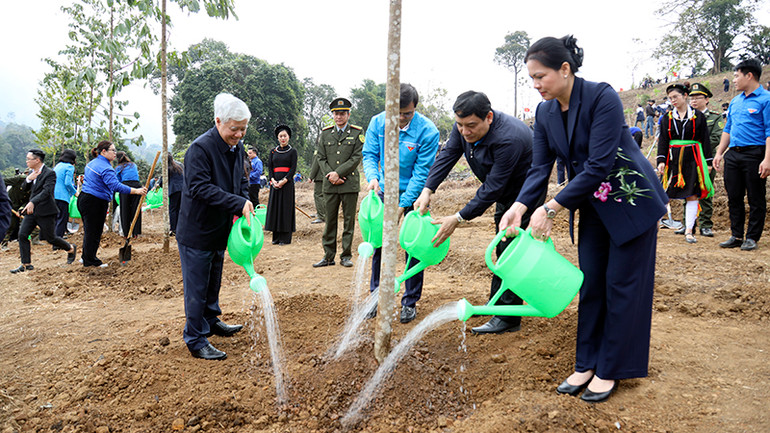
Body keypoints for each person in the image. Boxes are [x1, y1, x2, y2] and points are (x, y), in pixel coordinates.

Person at [501, 35, 668, 403]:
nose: (536, 85)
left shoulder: (601, 96)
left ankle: (611, 368)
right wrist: (520, 205)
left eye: (540, 76)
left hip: (629, 201)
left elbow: (599, 164)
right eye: (531, 78)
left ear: (565, 69)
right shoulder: (544, 113)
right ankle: (586, 362)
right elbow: (540, 166)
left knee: (622, 286)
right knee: (591, 283)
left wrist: (551, 208)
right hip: (590, 204)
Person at [414, 90, 542, 335]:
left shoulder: (509, 139)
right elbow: (448, 155)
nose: (464, 132)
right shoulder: (463, 126)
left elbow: (493, 188)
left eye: (471, 126)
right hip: (504, 193)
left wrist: (458, 218)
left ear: (489, 118)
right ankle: (499, 305)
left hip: (524, 195)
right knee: (503, 246)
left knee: (510, 249)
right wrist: (428, 189)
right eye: (460, 125)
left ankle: (507, 317)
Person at [176, 93, 254, 360]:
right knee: (197, 287)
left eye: (243, 129)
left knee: (213, 280)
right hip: (197, 230)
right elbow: (199, 188)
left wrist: (245, 201)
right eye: (234, 129)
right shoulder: (200, 149)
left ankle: (211, 320)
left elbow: (240, 181)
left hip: (221, 229)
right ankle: (195, 338)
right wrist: (235, 203)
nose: (239, 134)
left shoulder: (237, 147)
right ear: (218, 121)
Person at [362, 83, 440, 323]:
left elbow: (421, 173)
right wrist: (373, 178)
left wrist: (403, 205)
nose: (402, 118)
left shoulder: (428, 131)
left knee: (413, 246)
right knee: (379, 244)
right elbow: (370, 155)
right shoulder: (377, 123)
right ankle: (377, 296)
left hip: (415, 195)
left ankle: (410, 301)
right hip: (384, 190)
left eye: (407, 113)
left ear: (415, 108)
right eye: (397, 112)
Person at [713, 58, 770, 251]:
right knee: (734, 196)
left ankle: (752, 237)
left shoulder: (766, 99)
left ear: (749, 75)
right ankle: (736, 235)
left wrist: (767, 159)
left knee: (756, 197)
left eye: (736, 76)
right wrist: (720, 153)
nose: (734, 80)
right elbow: (728, 129)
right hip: (733, 155)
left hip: (755, 153)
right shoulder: (735, 102)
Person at [656, 83, 710, 244]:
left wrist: (708, 162)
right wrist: (661, 160)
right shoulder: (667, 118)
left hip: (692, 158)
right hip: (673, 159)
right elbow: (663, 142)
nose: (673, 100)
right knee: (664, 194)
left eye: (675, 97)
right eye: (670, 98)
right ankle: (654, 226)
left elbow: (705, 139)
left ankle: (689, 230)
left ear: (685, 96)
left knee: (692, 194)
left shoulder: (698, 117)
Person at [313, 97, 364, 268]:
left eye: (342, 114)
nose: (339, 117)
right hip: (330, 184)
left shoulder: (357, 133)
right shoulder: (326, 133)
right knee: (330, 221)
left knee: (348, 222)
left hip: (349, 184)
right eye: (336, 114)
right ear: (333, 115)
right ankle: (328, 256)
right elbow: (320, 157)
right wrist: (331, 175)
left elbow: (356, 157)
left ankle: (346, 256)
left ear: (348, 114)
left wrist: (338, 173)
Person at [79, 142, 146, 267]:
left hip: (85, 199)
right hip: (95, 202)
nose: (115, 153)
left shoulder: (92, 163)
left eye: (115, 151)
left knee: (90, 231)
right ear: (103, 151)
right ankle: (90, 261)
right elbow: (115, 185)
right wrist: (136, 191)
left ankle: (86, 256)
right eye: (113, 150)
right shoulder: (106, 168)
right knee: (94, 232)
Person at [11, 149, 79, 273]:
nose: (26, 161)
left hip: (46, 210)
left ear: (37, 160)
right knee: (22, 234)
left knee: (50, 238)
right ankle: (26, 264)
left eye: (28, 159)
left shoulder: (50, 173)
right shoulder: (32, 173)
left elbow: (46, 192)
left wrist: (33, 202)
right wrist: (28, 180)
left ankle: (70, 248)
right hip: (32, 211)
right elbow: (24, 189)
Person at [684, 82, 723, 237]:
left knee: (705, 191)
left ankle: (705, 225)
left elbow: (715, 138)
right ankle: (688, 225)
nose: (694, 100)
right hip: (688, 159)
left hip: (706, 160)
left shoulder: (714, 117)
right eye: (691, 97)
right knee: (687, 191)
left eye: (698, 97)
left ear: (706, 99)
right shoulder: (685, 117)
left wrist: (696, 146)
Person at [265, 125, 298, 245]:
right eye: (280, 136)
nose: (283, 138)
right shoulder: (273, 151)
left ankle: (285, 238)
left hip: (287, 184)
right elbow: (270, 167)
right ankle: (276, 237)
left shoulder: (292, 151)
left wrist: (284, 180)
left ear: (288, 137)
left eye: (285, 136)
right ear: (277, 138)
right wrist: (273, 180)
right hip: (275, 184)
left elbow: (293, 168)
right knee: (275, 208)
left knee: (285, 209)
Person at [115, 152, 143, 237]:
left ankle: (126, 233)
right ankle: (136, 233)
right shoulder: (133, 165)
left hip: (125, 187)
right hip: (137, 186)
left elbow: (117, 180)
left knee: (125, 209)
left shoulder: (118, 167)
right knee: (136, 209)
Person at [53, 149, 78, 239]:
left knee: (56, 218)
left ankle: (54, 238)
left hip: (53, 195)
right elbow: (67, 183)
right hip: (62, 196)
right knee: (62, 219)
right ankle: (58, 241)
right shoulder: (70, 167)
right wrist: (75, 193)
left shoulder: (58, 166)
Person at [167, 154, 184, 235]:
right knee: (179, 209)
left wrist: (158, 185)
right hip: (183, 189)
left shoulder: (167, 168)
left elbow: (164, 180)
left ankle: (173, 229)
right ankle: (180, 228)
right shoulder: (179, 166)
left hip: (174, 190)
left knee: (173, 209)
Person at [308, 151, 326, 224]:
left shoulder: (320, 149)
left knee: (318, 195)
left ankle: (322, 216)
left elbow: (316, 163)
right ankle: (320, 213)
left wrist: (311, 176)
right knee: (324, 195)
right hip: (326, 175)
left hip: (320, 176)